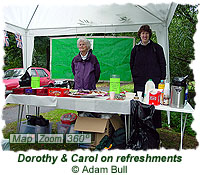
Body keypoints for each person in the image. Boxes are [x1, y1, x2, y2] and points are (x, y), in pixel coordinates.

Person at [130, 25, 166, 128]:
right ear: (140, 35)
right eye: (142, 33)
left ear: (149, 35)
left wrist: (162, 79)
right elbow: (131, 64)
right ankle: (139, 127)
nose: (144, 35)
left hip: (155, 82)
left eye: (146, 33)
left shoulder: (157, 48)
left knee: (154, 105)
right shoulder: (136, 49)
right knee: (139, 104)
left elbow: (162, 64)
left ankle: (153, 128)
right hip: (140, 82)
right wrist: (135, 77)